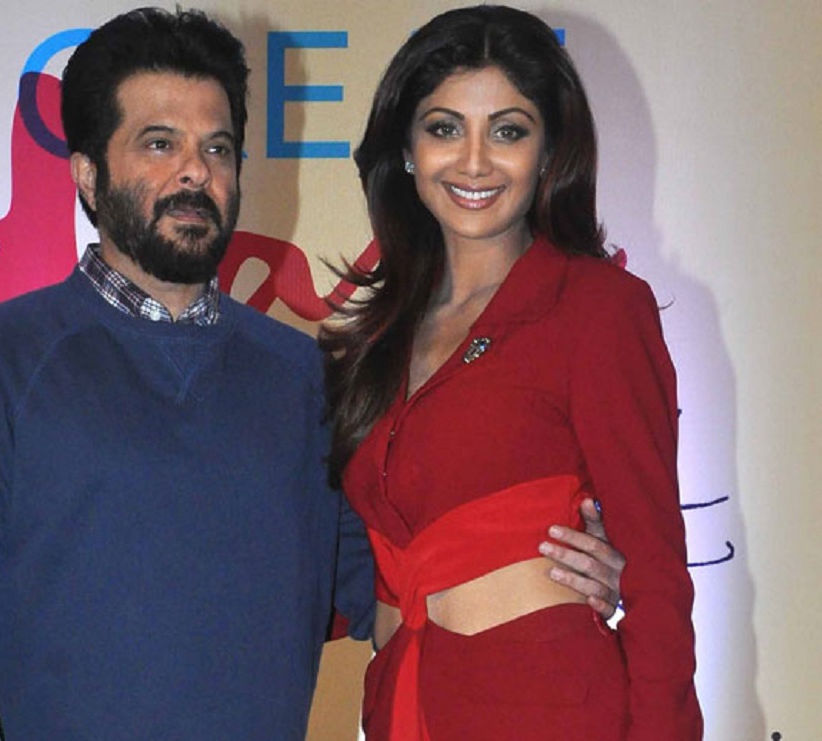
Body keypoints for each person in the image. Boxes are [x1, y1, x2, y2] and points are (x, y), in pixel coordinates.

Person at [0, 7, 625, 741]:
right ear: (89, 175)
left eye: (218, 148)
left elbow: (401, 580)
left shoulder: (304, 378)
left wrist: (559, 571)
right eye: (160, 144)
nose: (196, 170)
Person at [322, 5, 701, 741]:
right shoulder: (378, 334)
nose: (474, 162)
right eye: (444, 128)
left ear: (549, 149)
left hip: (548, 710)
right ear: (406, 149)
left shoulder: (597, 308)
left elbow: (657, 578)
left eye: (508, 131)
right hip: (402, 706)